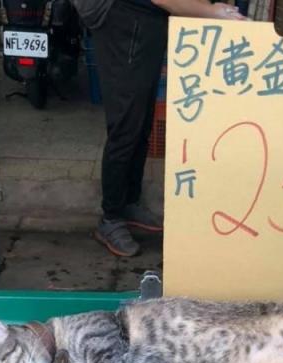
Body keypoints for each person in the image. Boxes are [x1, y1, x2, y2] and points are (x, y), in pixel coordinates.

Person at [78, 0, 246, 256]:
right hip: (122, 20)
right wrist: (213, 12)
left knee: (142, 120)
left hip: (145, 22)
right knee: (126, 125)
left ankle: (129, 202)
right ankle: (110, 218)